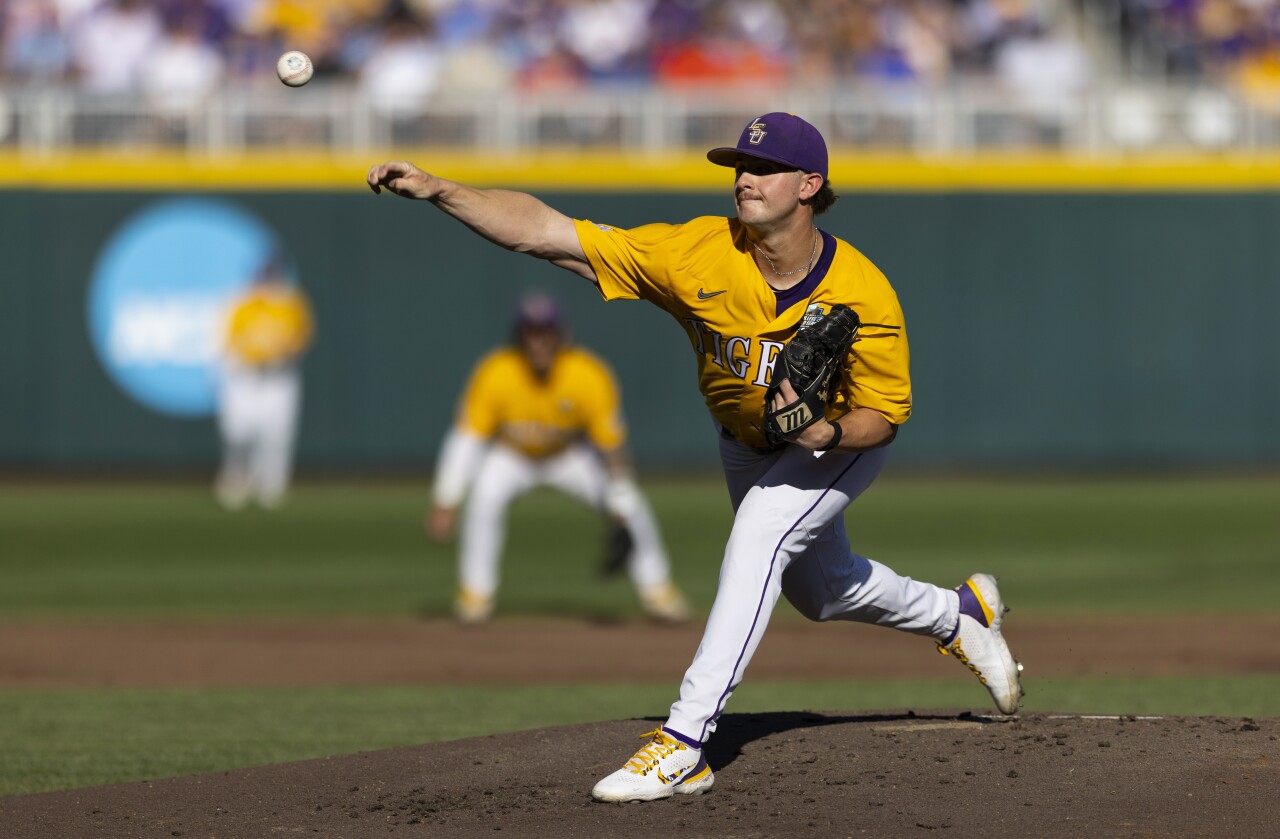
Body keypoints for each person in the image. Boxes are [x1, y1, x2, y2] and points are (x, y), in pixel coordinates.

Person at [366, 111, 1024, 802]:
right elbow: (544, 231)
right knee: (824, 592)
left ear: (810, 185)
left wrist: (823, 435)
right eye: (739, 166)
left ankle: (684, 741)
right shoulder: (697, 253)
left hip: (836, 446)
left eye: (762, 169)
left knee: (760, 534)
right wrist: (441, 189)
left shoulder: (863, 290)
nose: (744, 178)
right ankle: (959, 615)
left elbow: (883, 416)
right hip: (743, 442)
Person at [428, 291, 691, 625]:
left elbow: (611, 448)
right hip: (512, 456)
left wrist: (620, 509)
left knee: (633, 507)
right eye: (530, 333)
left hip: (568, 458)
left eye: (545, 333)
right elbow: (467, 439)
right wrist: (446, 499)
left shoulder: (587, 373)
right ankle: (474, 596)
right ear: (519, 337)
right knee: (483, 497)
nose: (538, 342)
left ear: (561, 336)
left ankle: (659, 592)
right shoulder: (497, 372)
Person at [215, 259, 314, 511]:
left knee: (276, 436)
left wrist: (284, 353)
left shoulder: (290, 303)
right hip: (246, 378)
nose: (267, 282)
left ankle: (271, 487)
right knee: (240, 434)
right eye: (263, 277)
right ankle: (236, 482)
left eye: (272, 277)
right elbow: (224, 343)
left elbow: (302, 338)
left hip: (279, 377)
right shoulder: (240, 302)